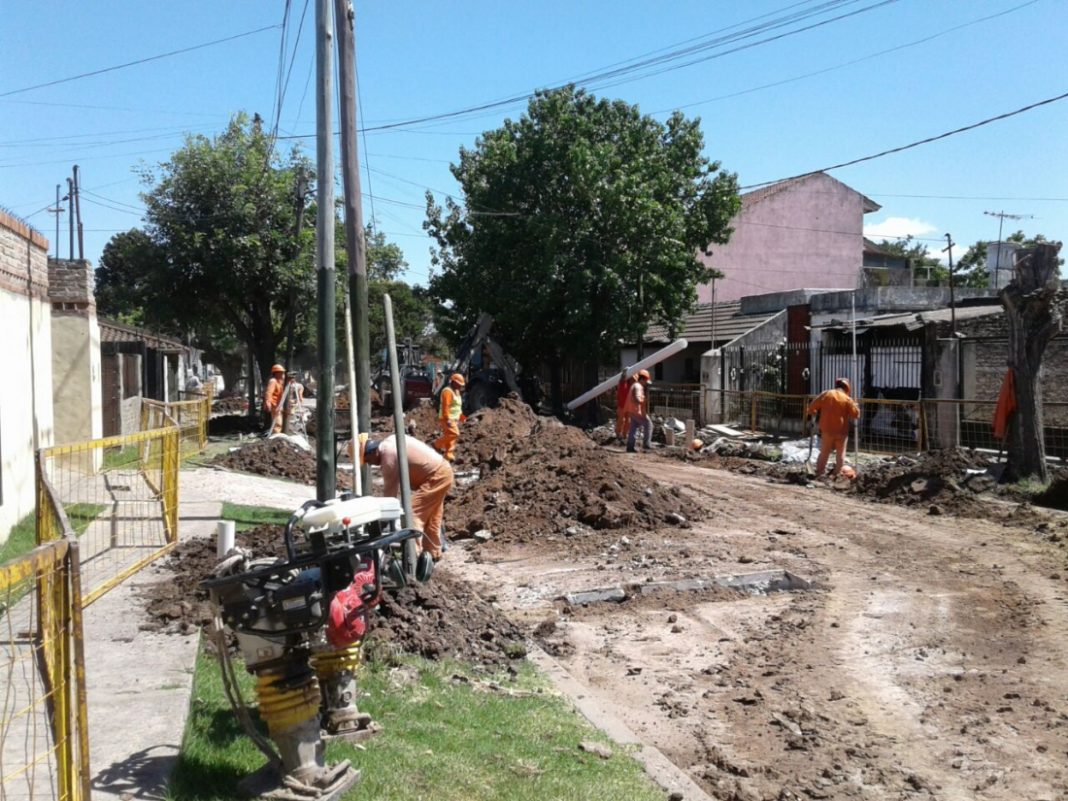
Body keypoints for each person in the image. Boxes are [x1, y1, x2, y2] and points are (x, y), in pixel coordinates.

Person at [355, 434, 454, 560]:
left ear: (372, 451)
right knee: (431, 517)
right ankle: (433, 555)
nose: (370, 464)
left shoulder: (388, 457)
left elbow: (389, 497)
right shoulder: (390, 442)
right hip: (442, 471)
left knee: (412, 514)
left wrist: (380, 524)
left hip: (436, 476)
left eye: (367, 460)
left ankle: (413, 557)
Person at [807, 377, 860, 477]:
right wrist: (856, 406)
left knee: (824, 453)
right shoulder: (847, 399)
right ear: (847, 388)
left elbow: (812, 407)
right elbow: (856, 415)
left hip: (827, 430)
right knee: (840, 455)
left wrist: (813, 413)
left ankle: (819, 473)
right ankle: (837, 475)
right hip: (842, 432)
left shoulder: (826, 394)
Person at [433, 373, 466, 461]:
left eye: (461, 385)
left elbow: (457, 406)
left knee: (450, 436)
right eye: (459, 384)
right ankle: (437, 444)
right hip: (447, 418)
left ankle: (448, 454)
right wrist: (447, 419)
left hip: (454, 418)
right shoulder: (447, 391)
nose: (460, 386)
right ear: (453, 382)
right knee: (455, 433)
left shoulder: (457, 391)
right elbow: (445, 406)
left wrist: (461, 416)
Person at [625, 369, 652, 453]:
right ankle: (646, 446)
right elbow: (637, 397)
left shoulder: (634, 385)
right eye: (646, 381)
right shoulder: (638, 386)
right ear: (642, 379)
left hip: (631, 410)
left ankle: (630, 446)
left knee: (633, 426)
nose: (645, 384)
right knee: (649, 424)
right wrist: (641, 401)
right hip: (637, 411)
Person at [263, 364, 286, 434]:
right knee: (278, 423)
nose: (282, 374)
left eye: (283, 372)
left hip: (280, 404)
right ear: (276, 373)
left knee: (282, 421)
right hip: (275, 404)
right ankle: (276, 437)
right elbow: (268, 393)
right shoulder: (273, 381)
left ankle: (278, 435)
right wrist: (268, 403)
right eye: (281, 372)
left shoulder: (280, 381)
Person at [614, 372, 634, 442]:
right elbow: (622, 379)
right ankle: (618, 433)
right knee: (621, 420)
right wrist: (625, 373)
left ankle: (624, 434)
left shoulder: (630, 385)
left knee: (628, 421)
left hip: (628, 407)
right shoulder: (622, 384)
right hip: (621, 406)